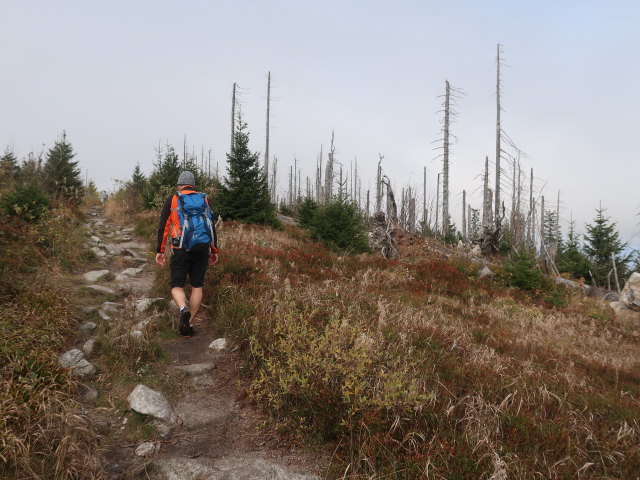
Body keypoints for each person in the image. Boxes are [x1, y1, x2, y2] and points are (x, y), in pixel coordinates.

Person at [155, 171, 218, 336]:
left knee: (177, 286)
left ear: (179, 184)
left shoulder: (173, 198)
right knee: (197, 286)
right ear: (193, 185)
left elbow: (164, 227)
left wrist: (160, 250)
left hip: (180, 248)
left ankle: (183, 309)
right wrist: (214, 249)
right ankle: (188, 325)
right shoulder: (204, 198)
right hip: (202, 248)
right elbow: (211, 225)